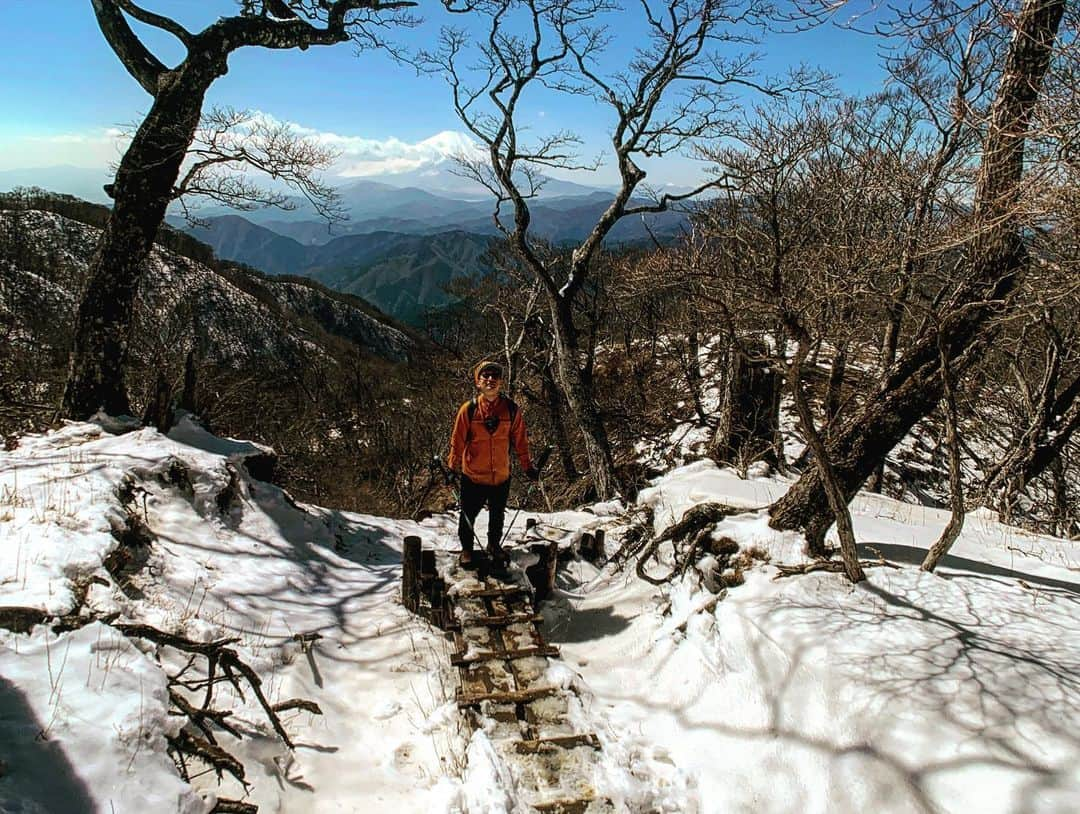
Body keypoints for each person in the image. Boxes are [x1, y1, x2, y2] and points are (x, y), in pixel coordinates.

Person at [447, 360, 538, 568]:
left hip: (501, 474)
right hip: (474, 475)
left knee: (497, 515)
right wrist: (452, 468)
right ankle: (467, 550)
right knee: (468, 515)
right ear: (478, 382)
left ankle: (494, 545)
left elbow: (521, 441)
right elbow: (457, 441)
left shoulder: (511, 410)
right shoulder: (468, 410)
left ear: (500, 382)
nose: (490, 380)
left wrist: (528, 467)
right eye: (485, 376)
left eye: (494, 377)